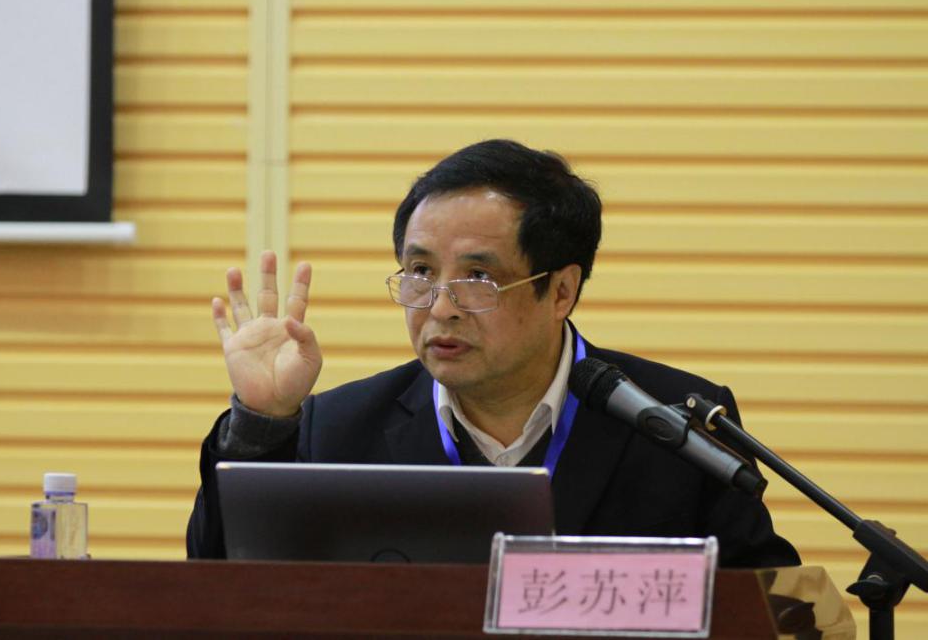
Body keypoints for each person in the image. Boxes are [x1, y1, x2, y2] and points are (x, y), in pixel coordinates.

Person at [187, 139, 800, 568]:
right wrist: (262, 421)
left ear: (561, 291)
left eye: (478, 279)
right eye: (420, 272)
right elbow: (223, 584)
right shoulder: (340, 429)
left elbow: (766, 605)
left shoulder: (673, 423)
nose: (440, 308)